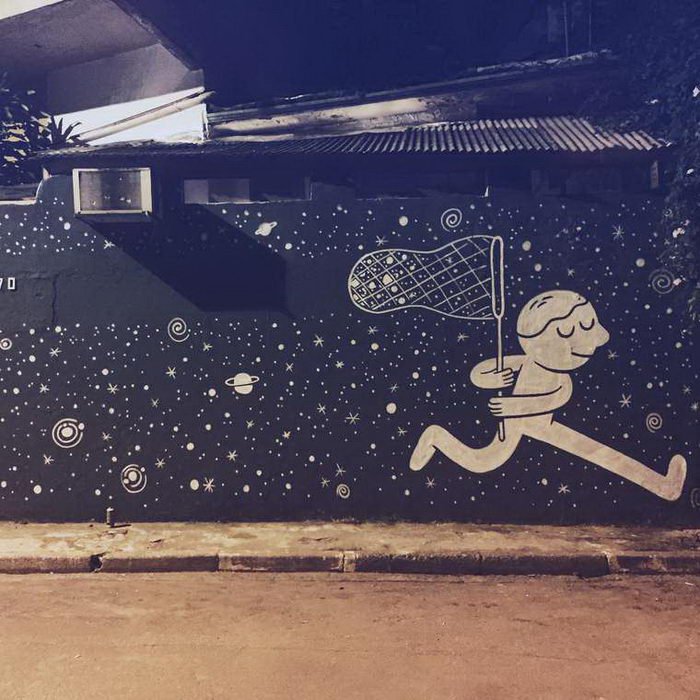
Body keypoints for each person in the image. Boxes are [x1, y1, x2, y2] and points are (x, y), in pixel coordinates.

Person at [409, 290, 687, 501]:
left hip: (539, 424)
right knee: (483, 461)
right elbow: (478, 373)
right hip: (517, 426)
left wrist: (513, 406)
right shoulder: (526, 361)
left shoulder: (561, 379)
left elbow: (554, 399)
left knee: (602, 454)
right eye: (566, 331)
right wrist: (492, 379)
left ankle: (663, 485)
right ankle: (436, 436)